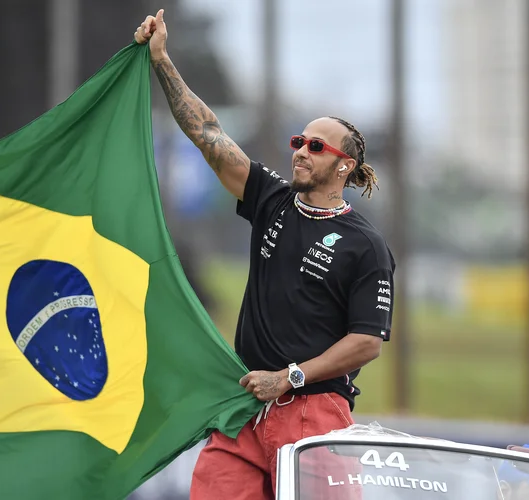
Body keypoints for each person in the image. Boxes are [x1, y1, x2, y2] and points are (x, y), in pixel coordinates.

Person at [134, 10, 395, 500]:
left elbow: (367, 342)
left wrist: (290, 377)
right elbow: (208, 134)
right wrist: (162, 61)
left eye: (316, 146)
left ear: (345, 167)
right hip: (245, 407)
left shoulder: (365, 244)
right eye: (299, 141)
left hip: (314, 412)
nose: (300, 150)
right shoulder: (272, 200)